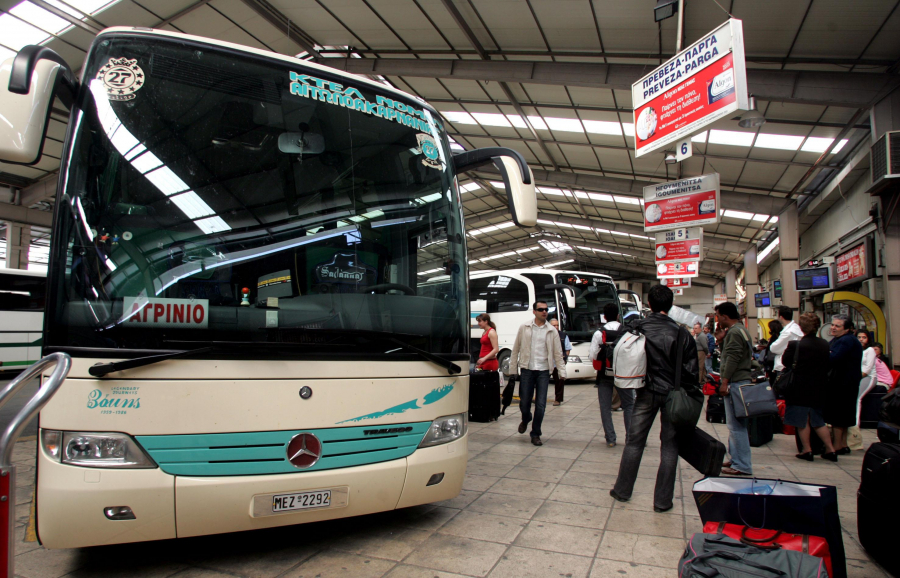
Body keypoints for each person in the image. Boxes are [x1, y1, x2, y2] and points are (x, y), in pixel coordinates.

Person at [610, 285, 699, 513]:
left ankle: (622, 490)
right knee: (669, 448)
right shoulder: (682, 333)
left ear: (649, 304)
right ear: (670, 306)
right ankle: (662, 502)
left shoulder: (639, 327)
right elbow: (691, 372)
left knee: (634, 442)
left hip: (645, 392)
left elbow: (618, 348)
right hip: (673, 395)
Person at [509, 301, 566, 446]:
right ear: (534, 311)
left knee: (541, 405)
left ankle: (535, 433)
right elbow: (516, 349)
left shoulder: (551, 331)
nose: (544, 312)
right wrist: (513, 370)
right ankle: (526, 418)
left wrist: (562, 372)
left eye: (546, 310)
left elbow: (558, 353)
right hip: (527, 369)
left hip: (543, 371)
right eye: (541, 309)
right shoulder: (525, 327)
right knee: (524, 403)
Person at [782, 313, 837, 462]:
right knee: (818, 419)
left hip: (799, 386)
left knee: (802, 420)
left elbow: (786, 362)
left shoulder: (796, 345)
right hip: (819, 386)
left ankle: (807, 450)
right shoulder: (825, 344)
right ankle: (830, 449)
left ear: (801, 327)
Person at [716, 302, 754, 476]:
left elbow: (732, 358)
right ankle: (736, 458)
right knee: (736, 425)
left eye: (718, 316)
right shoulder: (741, 330)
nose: (717, 319)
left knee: (736, 426)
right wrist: (721, 340)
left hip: (736, 382)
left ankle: (742, 465)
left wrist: (724, 381)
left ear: (725, 316)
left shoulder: (734, 333)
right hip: (741, 380)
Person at [590, 302, 635, 447]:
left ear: (604, 317)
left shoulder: (599, 333)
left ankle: (611, 439)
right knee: (629, 405)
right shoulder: (626, 331)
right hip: (624, 374)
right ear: (618, 316)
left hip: (604, 375)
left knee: (605, 407)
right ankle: (631, 437)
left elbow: (593, 356)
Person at [824, 314, 862, 455]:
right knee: (844, 415)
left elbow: (833, 358)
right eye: (832, 325)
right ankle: (843, 444)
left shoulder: (845, 341)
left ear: (847, 329)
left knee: (838, 415)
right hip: (847, 381)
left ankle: (837, 445)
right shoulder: (844, 339)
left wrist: (826, 352)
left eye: (837, 326)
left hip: (842, 383)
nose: (833, 328)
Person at [854, 330, 877, 442]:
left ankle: (855, 425)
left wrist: (856, 377)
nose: (861, 339)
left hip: (868, 377)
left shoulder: (870, 350)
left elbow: (868, 369)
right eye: (859, 337)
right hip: (857, 376)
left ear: (868, 339)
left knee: (857, 398)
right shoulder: (856, 349)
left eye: (864, 337)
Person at [768, 306, 803, 379]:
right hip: (795, 363)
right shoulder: (797, 328)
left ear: (781, 317)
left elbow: (773, 348)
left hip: (783, 366)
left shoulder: (788, 332)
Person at [549, 318, 572, 406]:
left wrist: (564, 359)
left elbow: (567, 348)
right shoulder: (546, 335)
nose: (556, 327)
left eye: (557, 325)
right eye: (554, 325)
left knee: (559, 381)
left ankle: (558, 399)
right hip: (548, 362)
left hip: (558, 362)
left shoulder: (563, 335)